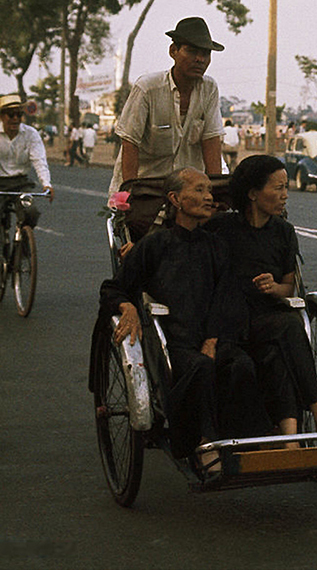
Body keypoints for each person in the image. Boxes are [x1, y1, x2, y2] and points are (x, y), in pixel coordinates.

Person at [98, 167, 272, 468]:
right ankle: (204, 442)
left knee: (241, 365)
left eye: (209, 190)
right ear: (175, 199)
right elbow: (115, 287)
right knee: (201, 367)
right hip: (174, 342)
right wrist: (127, 308)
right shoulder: (154, 245)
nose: (208, 197)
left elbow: (225, 296)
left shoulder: (216, 245)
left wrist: (212, 339)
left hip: (214, 336)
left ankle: (244, 443)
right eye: (200, 190)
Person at [206, 155, 317, 435]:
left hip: (266, 316)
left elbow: (289, 287)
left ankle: (290, 438)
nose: (285, 195)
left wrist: (274, 288)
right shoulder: (221, 229)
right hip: (229, 319)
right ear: (252, 193)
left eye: (286, 187)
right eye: (278, 188)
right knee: (286, 328)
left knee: (279, 345)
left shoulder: (284, 232)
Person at [108, 16, 225, 197]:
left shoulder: (209, 89)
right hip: (146, 188)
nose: (200, 59)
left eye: (205, 54)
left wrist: (215, 193)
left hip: (187, 195)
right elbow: (130, 142)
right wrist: (131, 194)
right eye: (192, 51)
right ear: (173, 51)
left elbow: (211, 141)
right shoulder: (148, 88)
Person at [0, 94, 53, 227]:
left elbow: (39, 160)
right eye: (11, 115)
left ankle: (22, 241)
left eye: (19, 114)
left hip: (21, 183)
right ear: (1, 116)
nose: (15, 119)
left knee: (31, 212)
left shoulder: (31, 134)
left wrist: (46, 184)